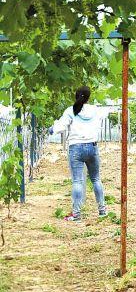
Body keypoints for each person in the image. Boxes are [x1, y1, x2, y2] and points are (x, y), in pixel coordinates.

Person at [49, 86, 107, 221]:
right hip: (92, 147)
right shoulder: (95, 110)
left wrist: (52, 129)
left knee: (77, 181)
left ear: (76, 96)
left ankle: (76, 214)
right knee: (96, 179)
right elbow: (105, 114)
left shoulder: (71, 111)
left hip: (76, 148)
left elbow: (60, 127)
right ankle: (102, 210)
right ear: (88, 97)